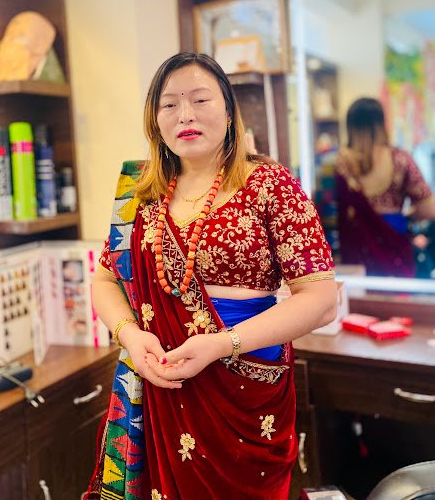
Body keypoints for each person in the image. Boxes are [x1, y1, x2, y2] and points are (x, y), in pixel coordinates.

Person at [84, 52, 336, 500]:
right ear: (154, 120)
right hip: (164, 388)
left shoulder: (270, 184)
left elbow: (320, 300)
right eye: (169, 104)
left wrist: (222, 344)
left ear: (229, 110)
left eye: (200, 100)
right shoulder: (141, 194)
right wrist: (130, 336)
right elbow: (105, 281)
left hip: (245, 392)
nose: (185, 115)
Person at [335, 97, 435, 277]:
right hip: (395, 248)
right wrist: (408, 215)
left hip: (356, 252)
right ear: (381, 123)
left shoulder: (341, 163)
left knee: (361, 294)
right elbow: (429, 209)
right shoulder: (400, 159)